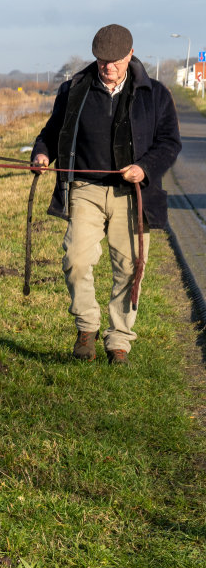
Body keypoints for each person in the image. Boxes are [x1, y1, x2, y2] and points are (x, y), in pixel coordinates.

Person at [31, 24, 180, 365]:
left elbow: (169, 143)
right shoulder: (74, 90)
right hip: (85, 189)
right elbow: (52, 133)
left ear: (130, 54)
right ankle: (86, 328)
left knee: (130, 267)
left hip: (133, 193)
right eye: (101, 59)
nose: (107, 66)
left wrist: (144, 167)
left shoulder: (155, 94)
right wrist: (41, 154)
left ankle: (119, 342)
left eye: (114, 59)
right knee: (76, 260)